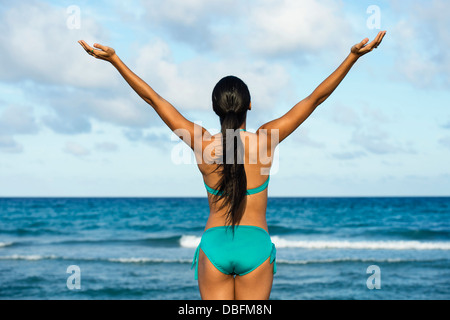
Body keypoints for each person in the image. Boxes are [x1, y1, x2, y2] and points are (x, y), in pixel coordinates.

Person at [78, 30, 386, 300]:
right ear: (249, 105)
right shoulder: (266, 139)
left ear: (214, 108)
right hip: (255, 245)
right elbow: (315, 98)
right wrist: (352, 57)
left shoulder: (201, 142)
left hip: (215, 246)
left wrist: (115, 60)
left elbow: (154, 101)